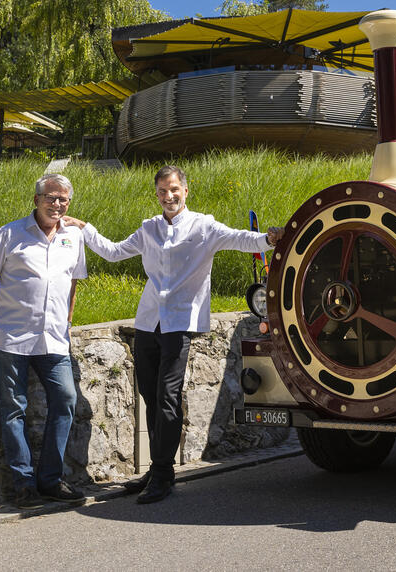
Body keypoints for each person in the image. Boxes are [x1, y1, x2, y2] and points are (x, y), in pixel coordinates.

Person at [62, 164, 283, 504]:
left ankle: (164, 474)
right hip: (150, 321)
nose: (169, 196)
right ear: (156, 193)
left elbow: (242, 239)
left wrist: (268, 239)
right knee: (151, 395)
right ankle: (156, 469)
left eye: (174, 190)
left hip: (180, 322)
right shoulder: (149, 228)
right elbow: (113, 252)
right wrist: (84, 228)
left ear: (185, 190)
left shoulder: (204, 226)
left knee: (167, 395)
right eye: (163, 191)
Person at [0, 173, 87, 510]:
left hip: (54, 340)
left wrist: (67, 324)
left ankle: (51, 479)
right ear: (37, 199)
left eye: (63, 200)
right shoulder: (10, 234)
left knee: (66, 401)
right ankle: (24, 484)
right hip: (12, 338)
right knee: (14, 411)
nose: (57, 204)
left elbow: (72, 284)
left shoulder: (73, 238)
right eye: (51, 198)